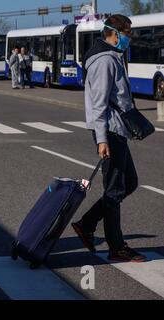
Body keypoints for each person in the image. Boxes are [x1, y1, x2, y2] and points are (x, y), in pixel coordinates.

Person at [71, 14, 146, 262]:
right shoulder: (104, 61)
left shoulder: (111, 56)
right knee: (114, 190)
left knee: (130, 183)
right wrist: (102, 139)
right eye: (128, 33)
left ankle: (87, 223)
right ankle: (116, 246)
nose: (129, 38)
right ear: (114, 33)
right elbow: (99, 103)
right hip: (110, 131)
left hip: (117, 130)